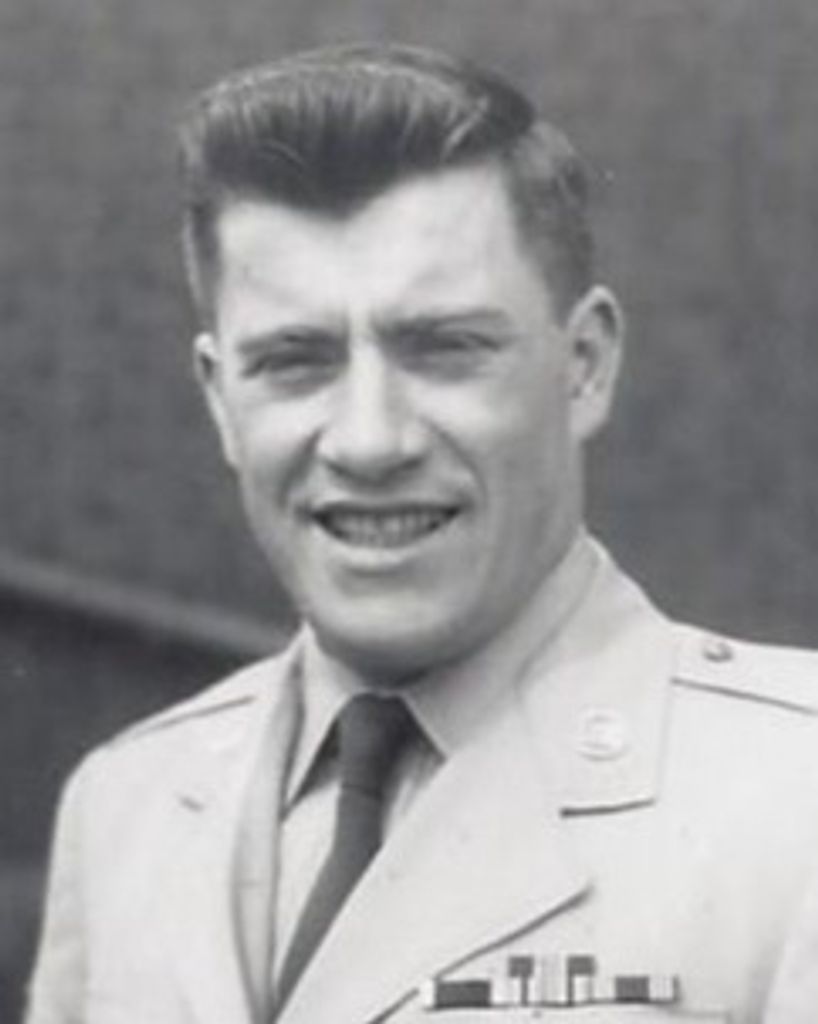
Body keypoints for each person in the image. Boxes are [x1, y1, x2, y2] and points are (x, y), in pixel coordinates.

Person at [25, 43, 818, 1024]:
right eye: (294, 361)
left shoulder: (792, 797)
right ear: (222, 401)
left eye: (445, 349)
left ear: (583, 366)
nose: (369, 440)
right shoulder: (124, 806)